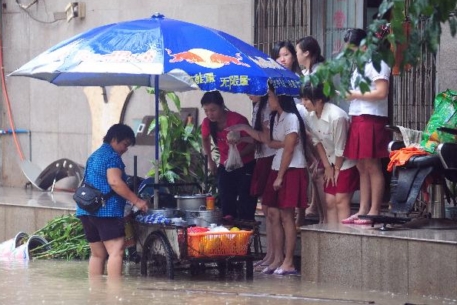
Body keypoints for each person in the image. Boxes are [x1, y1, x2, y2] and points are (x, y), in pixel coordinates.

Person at [227, 83, 309, 275]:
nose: (269, 100)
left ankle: (288, 261)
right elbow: (269, 141)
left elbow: (289, 149)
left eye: (271, 96)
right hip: (276, 165)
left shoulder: (291, 118)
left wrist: (280, 174)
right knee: (272, 213)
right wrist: (244, 130)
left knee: (287, 216)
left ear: (280, 98)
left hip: (291, 168)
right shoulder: (276, 117)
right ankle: (275, 258)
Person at [76, 123, 148, 278]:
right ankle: (114, 295)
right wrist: (137, 201)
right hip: (105, 212)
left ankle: (96, 295)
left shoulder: (94, 155)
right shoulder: (112, 157)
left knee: (97, 255)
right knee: (116, 251)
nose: (125, 149)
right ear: (114, 139)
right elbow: (115, 182)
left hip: (86, 211)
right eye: (125, 144)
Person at [340, 28, 391, 225]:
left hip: (372, 117)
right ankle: (362, 209)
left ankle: (374, 209)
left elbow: (381, 92)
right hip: (358, 116)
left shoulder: (378, 62)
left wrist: (354, 94)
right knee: (361, 166)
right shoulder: (360, 65)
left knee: (372, 165)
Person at [300, 82, 359, 223]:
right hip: (329, 161)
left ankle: (344, 238)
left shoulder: (337, 116)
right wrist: (327, 166)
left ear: (320, 100)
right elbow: (317, 141)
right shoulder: (309, 116)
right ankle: (332, 237)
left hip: (345, 162)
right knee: (329, 201)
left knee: (340, 200)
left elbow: (341, 148)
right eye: (302, 99)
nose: (303, 103)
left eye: (307, 99)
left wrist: (336, 169)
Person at [200, 91, 257, 221]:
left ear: (222, 106)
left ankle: (246, 231)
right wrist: (210, 160)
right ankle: (230, 233)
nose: (210, 114)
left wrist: (237, 156)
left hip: (246, 164)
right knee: (226, 200)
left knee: (246, 202)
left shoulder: (238, 120)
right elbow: (205, 139)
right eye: (206, 111)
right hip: (225, 166)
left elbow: (254, 142)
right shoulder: (207, 123)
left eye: (213, 110)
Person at [295, 36, 327, 223]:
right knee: (314, 169)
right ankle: (316, 207)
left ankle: (323, 215)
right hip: (308, 122)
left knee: (319, 169)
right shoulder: (307, 71)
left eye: (297, 52)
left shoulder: (319, 71)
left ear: (306, 53)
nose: (297, 55)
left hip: (317, 123)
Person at [247, 94, 276, 270]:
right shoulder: (257, 105)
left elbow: (266, 138)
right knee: (266, 210)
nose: (248, 92)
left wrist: (244, 127)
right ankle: (269, 255)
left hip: (269, 157)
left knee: (271, 210)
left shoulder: (266, 107)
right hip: (262, 156)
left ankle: (274, 256)